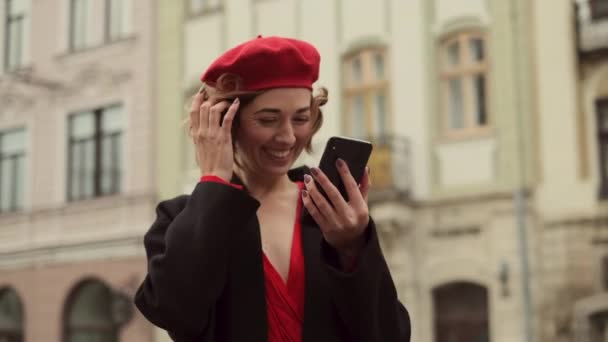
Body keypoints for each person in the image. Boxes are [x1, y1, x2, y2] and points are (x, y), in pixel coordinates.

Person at [134, 35, 411, 342]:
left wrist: (352, 248)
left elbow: (391, 335)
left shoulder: (329, 211)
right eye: (268, 120)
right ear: (226, 121)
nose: (288, 137)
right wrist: (213, 179)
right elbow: (173, 311)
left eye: (301, 118)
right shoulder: (180, 218)